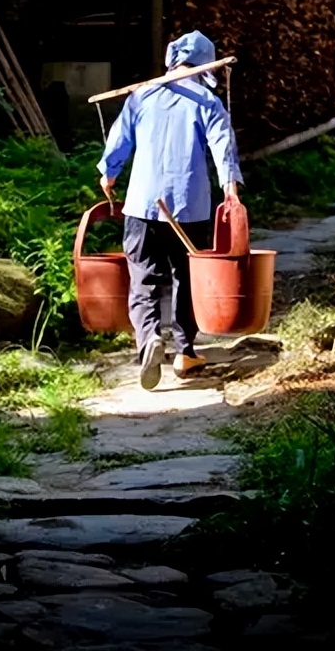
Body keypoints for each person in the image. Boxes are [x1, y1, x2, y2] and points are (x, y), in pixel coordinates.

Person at [97, 30, 243, 390]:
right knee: (186, 275)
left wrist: (108, 173)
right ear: (205, 65)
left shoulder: (142, 95)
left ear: (173, 60)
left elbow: (119, 139)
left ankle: (148, 340)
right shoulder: (207, 101)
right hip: (188, 207)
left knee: (143, 276)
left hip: (142, 203)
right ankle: (185, 351)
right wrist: (230, 188)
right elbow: (222, 147)